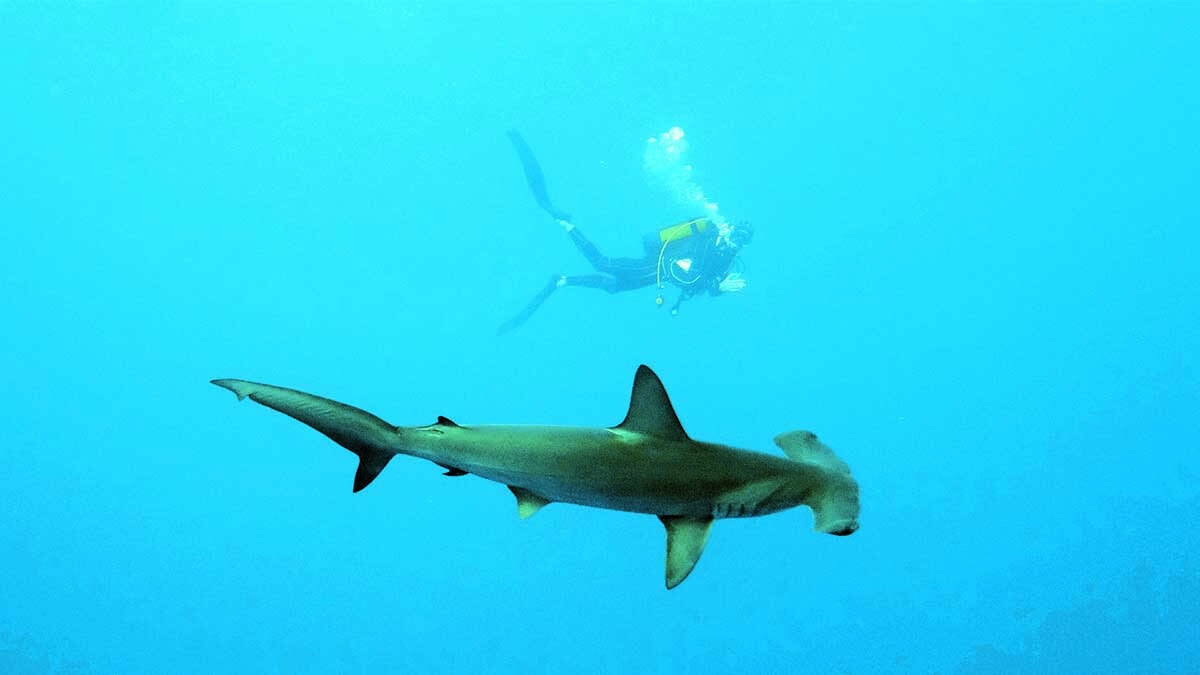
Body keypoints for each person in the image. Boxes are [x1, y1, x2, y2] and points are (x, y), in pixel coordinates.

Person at [499, 131, 752, 334]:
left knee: (614, 287)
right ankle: (563, 222)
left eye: (742, 241)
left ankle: (561, 281)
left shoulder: (726, 260)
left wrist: (718, 288)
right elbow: (681, 275)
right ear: (729, 230)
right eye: (736, 236)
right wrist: (713, 284)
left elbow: (700, 285)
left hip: (655, 274)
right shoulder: (708, 240)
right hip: (658, 267)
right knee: (603, 263)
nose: (735, 243)